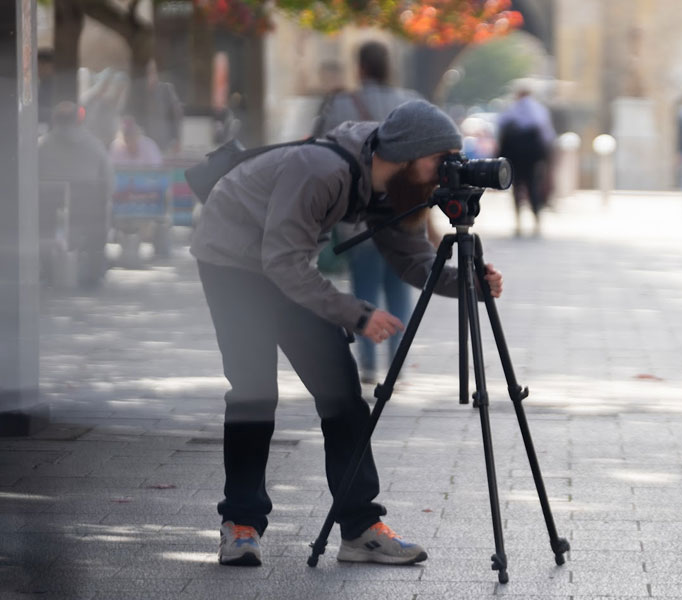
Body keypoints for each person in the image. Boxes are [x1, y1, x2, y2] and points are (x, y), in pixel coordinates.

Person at [191, 99, 505, 567]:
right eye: (440, 160)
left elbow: (411, 259)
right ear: (408, 154)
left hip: (285, 264)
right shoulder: (321, 170)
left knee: (341, 394)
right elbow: (282, 261)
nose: (447, 171)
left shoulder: (388, 184)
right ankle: (240, 524)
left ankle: (360, 529)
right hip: (232, 261)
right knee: (254, 392)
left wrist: (467, 284)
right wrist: (356, 314)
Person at [317, 42, 425, 385]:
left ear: (360, 67)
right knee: (399, 285)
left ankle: (366, 364)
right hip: (404, 209)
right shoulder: (410, 101)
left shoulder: (341, 103)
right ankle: (397, 365)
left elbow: (322, 149)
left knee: (363, 285)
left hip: (359, 210)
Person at [38, 102, 115, 288]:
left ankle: (48, 271)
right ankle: (95, 273)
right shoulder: (94, 145)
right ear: (79, 120)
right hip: (89, 212)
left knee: (42, 224)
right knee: (98, 222)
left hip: (50, 212)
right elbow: (109, 179)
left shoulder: (42, 145)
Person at [498, 80, 557, 237]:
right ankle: (536, 219)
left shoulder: (511, 109)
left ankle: (519, 221)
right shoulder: (538, 109)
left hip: (515, 155)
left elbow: (501, 127)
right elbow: (546, 134)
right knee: (532, 185)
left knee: (517, 186)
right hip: (532, 156)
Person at [137, 60, 184, 154]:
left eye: (153, 72)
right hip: (144, 144)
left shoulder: (166, 89)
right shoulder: (139, 92)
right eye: (148, 72)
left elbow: (177, 115)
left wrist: (177, 140)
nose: (151, 76)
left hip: (164, 143)